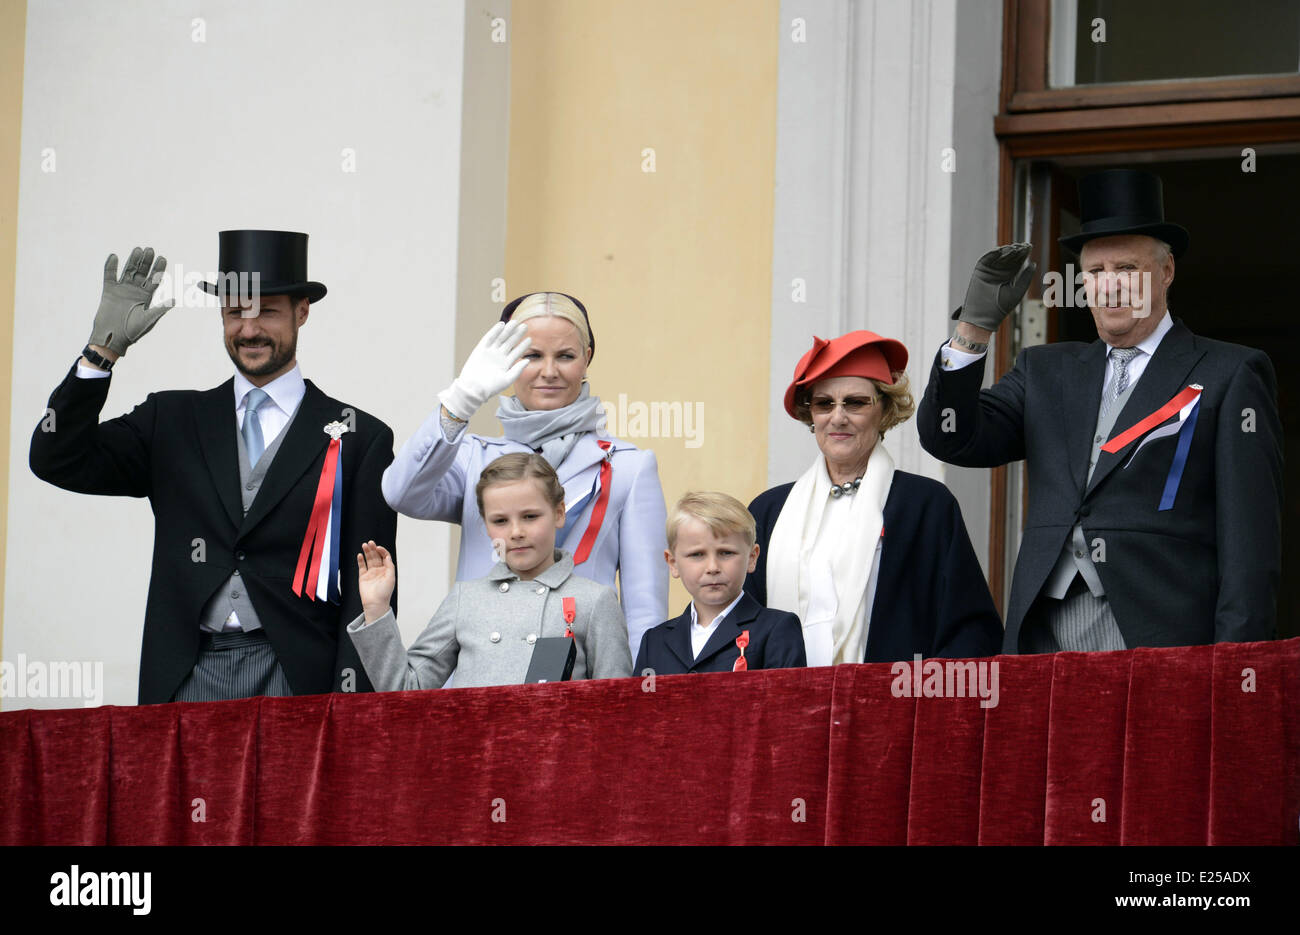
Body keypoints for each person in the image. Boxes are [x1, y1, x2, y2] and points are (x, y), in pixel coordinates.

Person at [917, 168, 1283, 653]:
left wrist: (1234, 666)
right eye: (1095, 273)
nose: (1109, 287)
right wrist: (974, 331)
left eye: (1127, 270)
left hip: (1164, 638)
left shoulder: (1229, 372)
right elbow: (952, 438)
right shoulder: (1045, 370)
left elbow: (1250, 546)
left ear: (1167, 271)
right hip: (1043, 634)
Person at [29, 231, 398, 703]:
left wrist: (350, 712)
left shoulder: (359, 438)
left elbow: (371, 590)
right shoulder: (170, 420)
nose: (248, 330)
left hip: (301, 679)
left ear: (301, 312)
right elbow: (56, 458)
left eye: (266, 310)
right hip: (185, 674)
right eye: (233, 312)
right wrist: (101, 355)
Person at [381, 292, 668, 659]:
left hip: (577, 677)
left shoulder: (629, 465)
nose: (549, 371)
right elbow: (400, 492)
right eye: (532, 356)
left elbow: (644, 608)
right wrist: (460, 401)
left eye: (565, 355)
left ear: (587, 359)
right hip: (479, 677)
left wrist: (636, 700)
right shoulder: (472, 456)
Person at [745, 331, 1002, 665]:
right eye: (824, 404)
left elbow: (970, 631)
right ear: (812, 416)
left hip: (893, 706)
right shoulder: (768, 511)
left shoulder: (926, 505)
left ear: (885, 409)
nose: (838, 417)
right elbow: (740, 625)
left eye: (855, 402)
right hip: (785, 709)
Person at [348, 453, 633, 688]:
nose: (516, 532)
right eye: (500, 520)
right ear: (485, 524)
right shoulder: (466, 599)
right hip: (471, 754)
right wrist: (377, 608)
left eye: (530, 516)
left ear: (559, 513)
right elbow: (406, 690)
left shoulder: (595, 600)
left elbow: (613, 711)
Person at [635, 492, 805, 675]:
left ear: (752, 558)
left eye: (726, 553)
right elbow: (645, 699)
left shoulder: (776, 629)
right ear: (673, 563)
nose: (713, 567)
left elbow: (785, 701)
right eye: (697, 554)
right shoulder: (654, 641)